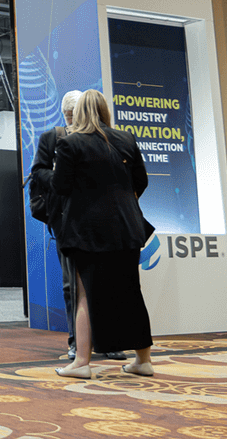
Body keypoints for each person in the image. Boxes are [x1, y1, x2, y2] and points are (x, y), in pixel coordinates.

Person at [50, 89, 155, 379]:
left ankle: (81, 363)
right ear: (105, 110)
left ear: (78, 113)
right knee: (131, 292)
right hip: (127, 227)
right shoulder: (127, 139)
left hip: (87, 231)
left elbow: (60, 187)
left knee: (85, 294)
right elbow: (141, 182)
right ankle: (143, 360)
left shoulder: (70, 143)